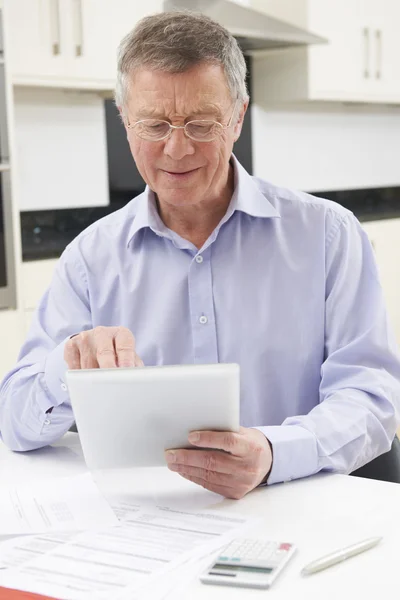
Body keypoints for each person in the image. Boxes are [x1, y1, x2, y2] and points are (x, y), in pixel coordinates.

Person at [1, 11, 399, 500]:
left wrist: (276, 452)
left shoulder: (328, 236)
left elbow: (371, 398)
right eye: (153, 125)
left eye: (201, 124)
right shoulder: (91, 257)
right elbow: (15, 423)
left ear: (237, 118)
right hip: (149, 522)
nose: (175, 148)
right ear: (125, 122)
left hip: (298, 504)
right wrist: (68, 367)